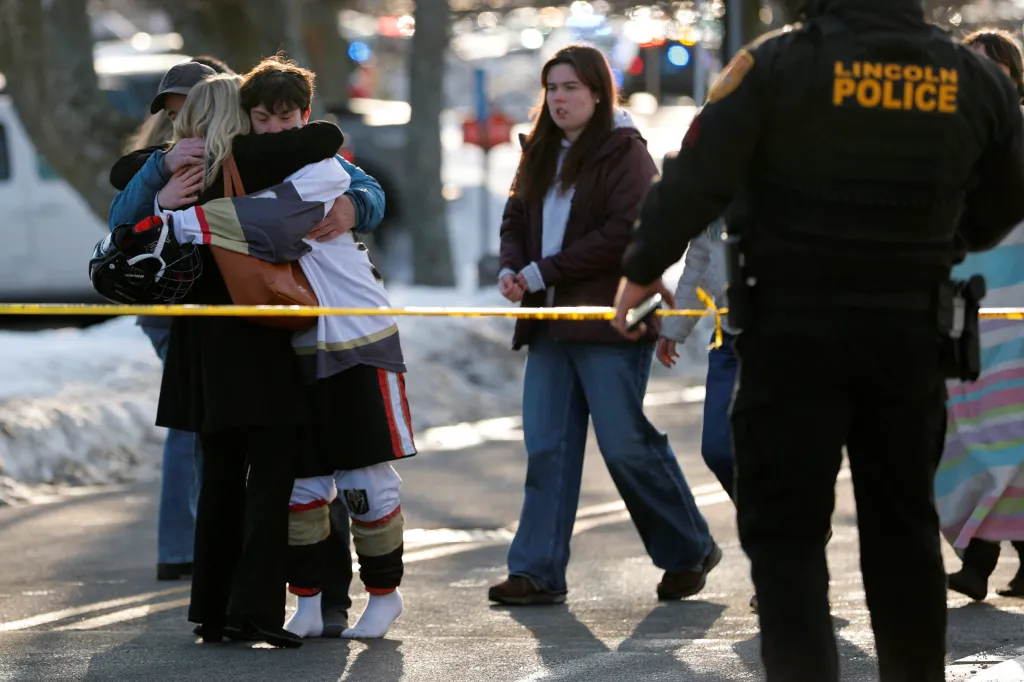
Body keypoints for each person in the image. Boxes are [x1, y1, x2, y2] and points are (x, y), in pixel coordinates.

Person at [611, 1, 1024, 680]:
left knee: (788, 541)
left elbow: (699, 170)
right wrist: (942, 241)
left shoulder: (774, 63)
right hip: (909, 332)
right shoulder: (972, 78)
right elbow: (1007, 199)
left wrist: (640, 266)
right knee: (904, 532)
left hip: (791, 335)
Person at [108, 55, 386, 636]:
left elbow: (120, 203)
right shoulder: (254, 159)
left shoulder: (175, 168)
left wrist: (160, 169)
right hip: (260, 339)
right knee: (284, 476)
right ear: (242, 114)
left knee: (220, 480)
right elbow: (330, 139)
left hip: (197, 347)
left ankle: (214, 610)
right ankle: (267, 608)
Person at [489, 44, 720, 607]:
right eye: (551, 88)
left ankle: (688, 548)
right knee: (547, 447)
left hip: (611, 319)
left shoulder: (625, 153)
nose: (559, 98)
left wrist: (545, 270)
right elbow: (516, 217)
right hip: (549, 322)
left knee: (625, 447)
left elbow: (628, 233)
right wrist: (513, 267)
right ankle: (537, 570)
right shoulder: (538, 150)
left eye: (570, 87)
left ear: (598, 92)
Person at [938, 27, 1024, 602]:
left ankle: (982, 557)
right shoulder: (944, 138)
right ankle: (981, 550)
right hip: (961, 305)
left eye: (995, 68)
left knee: (1006, 432)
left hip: (1015, 308)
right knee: (960, 434)